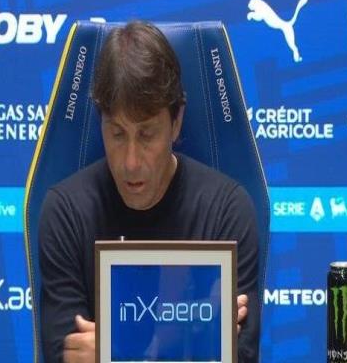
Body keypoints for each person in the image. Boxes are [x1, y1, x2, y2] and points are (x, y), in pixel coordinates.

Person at [39, 21, 260, 363]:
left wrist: (114, 353)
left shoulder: (227, 211)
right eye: (117, 133)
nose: (130, 162)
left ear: (176, 122)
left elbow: (240, 358)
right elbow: (64, 356)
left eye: (146, 135)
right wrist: (200, 343)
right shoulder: (65, 212)